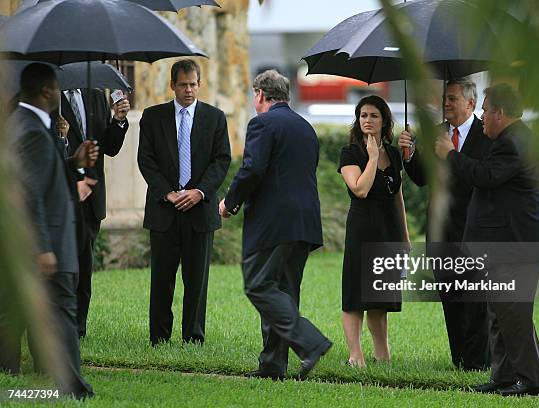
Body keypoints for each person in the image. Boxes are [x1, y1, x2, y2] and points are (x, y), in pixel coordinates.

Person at [435, 83, 539, 396]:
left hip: (517, 246)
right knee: (498, 313)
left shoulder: (514, 142)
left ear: (500, 113)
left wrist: (450, 154)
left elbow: (484, 176)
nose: (483, 116)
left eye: (486, 111)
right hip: (506, 245)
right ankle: (503, 376)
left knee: (513, 313)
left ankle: (534, 382)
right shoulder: (509, 139)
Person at [219, 69, 331, 380]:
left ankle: (310, 343)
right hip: (305, 222)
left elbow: (253, 169)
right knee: (284, 292)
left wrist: (230, 201)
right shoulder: (305, 127)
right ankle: (272, 366)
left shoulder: (262, 123)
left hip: (274, 222)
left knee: (258, 284)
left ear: (260, 95)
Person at [0, 63, 98, 399]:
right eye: (57, 87)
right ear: (46, 91)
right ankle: (73, 389)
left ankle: (14, 376)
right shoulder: (30, 130)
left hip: (39, 243)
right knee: (62, 313)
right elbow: (29, 195)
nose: (60, 93)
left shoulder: (26, 125)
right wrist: (43, 247)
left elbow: (50, 170)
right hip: (48, 243)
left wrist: (77, 161)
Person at [398, 78, 491, 371]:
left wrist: (450, 154)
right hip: (441, 231)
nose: (446, 104)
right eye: (445, 99)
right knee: (450, 295)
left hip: (476, 227)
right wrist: (409, 154)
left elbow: (481, 175)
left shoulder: (485, 134)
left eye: (452, 99)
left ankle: (479, 362)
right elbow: (421, 177)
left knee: (476, 300)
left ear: (470, 103)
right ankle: (459, 358)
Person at [137, 59, 231, 346]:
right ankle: (159, 338)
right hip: (164, 210)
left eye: (193, 84)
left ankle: (193, 337)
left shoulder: (215, 118)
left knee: (196, 281)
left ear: (200, 84)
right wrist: (168, 193)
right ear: (172, 85)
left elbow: (221, 160)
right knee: (162, 279)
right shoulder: (153, 117)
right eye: (183, 85)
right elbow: (146, 160)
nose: (188, 90)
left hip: (199, 211)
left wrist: (199, 192)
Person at [338, 95, 410, 367]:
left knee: (381, 298)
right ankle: (355, 355)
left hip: (388, 230)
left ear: (384, 121)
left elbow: (397, 194)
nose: (367, 120)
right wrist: (371, 158)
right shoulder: (350, 152)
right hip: (361, 229)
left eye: (374, 116)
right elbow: (360, 189)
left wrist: (404, 236)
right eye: (363, 115)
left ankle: (383, 354)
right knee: (356, 296)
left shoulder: (392, 153)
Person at [53, 87, 130, 338]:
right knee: (63, 268)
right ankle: (57, 325)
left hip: (92, 197)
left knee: (85, 268)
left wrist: (118, 121)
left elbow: (109, 147)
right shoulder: (50, 96)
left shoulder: (96, 95)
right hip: (62, 195)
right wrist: (60, 136)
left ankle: (78, 328)